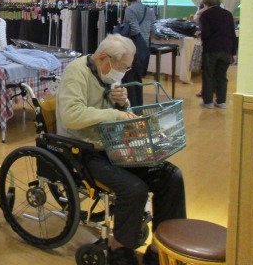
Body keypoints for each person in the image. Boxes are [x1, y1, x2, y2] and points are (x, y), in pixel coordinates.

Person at [56, 34, 186, 265]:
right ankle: (119, 248)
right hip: (83, 149)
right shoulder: (76, 72)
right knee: (134, 189)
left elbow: (121, 113)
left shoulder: (107, 73)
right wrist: (115, 113)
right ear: (104, 58)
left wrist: (122, 102)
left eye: (127, 67)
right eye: (123, 67)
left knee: (171, 176)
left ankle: (160, 248)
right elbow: (71, 116)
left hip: (113, 144)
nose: (123, 72)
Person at [199, 0, 237, 109]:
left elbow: (206, 34)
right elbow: (232, 34)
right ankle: (221, 101)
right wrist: (233, 53)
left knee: (208, 75)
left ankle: (208, 101)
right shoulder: (228, 14)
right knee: (222, 76)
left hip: (211, 49)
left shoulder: (205, 15)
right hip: (226, 49)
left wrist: (200, 34)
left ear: (206, 1)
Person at [121, 0, 155, 107]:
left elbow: (135, 30)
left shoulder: (130, 10)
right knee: (138, 79)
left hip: (133, 48)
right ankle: (138, 107)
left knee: (129, 79)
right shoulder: (149, 10)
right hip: (144, 48)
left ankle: (132, 107)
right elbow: (153, 30)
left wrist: (122, 31)